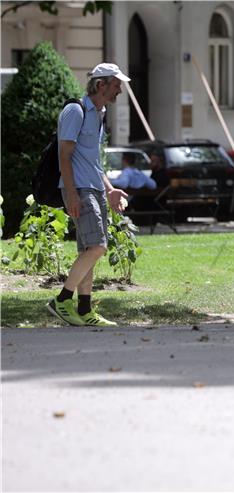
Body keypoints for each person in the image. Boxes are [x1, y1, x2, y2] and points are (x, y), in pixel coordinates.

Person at [46, 63, 130, 326]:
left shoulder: (100, 113)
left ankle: (84, 310)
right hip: (79, 188)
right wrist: (71, 193)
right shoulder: (76, 111)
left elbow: (93, 161)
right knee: (98, 247)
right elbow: (65, 155)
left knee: (88, 249)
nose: (119, 90)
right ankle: (61, 300)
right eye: (116, 84)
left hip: (93, 187)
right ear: (101, 84)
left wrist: (111, 190)